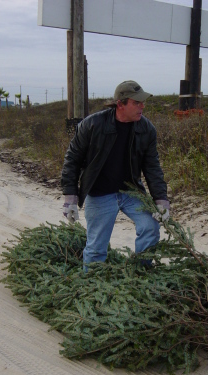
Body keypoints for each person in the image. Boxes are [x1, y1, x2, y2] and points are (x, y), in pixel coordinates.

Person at [61, 80, 170, 268]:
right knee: (96, 248)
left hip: (130, 193)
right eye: (137, 103)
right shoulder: (92, 125)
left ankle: (139, 272)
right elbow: (72, 159)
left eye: (143, 102)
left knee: (150, 228)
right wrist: (70, 197)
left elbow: (152, 167)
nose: (142, 106)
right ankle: (92, 287)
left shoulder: (146, 129)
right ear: (120, 104)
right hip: (100, 193)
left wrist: (161, 200)